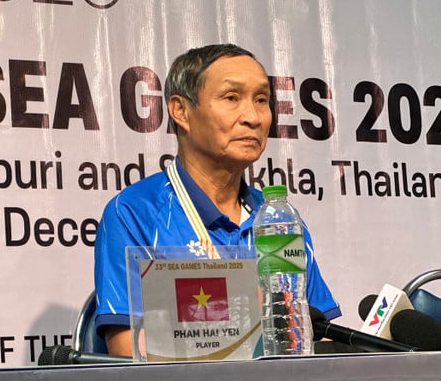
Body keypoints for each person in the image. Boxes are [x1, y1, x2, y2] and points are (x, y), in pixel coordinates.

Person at [93, 43, 341, 356]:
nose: (253, 117)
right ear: (181, 111)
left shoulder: (279, 220)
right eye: (231, 98)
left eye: (261, 100)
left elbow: (319, 337)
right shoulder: (133, 213)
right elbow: (129, 351)